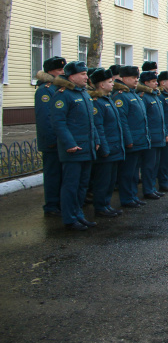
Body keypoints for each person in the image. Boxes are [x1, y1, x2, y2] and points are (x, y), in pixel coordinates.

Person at [50, 61, 100, 230]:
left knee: (82, 185)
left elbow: (90, 122)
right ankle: (70, 218)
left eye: (86, 74)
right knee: (71, 185)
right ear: (71, 76)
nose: (87, 77)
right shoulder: (63, 95)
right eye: (82, 74)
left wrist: (96, 141)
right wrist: (69, 143)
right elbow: (58, 122)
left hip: (87, 147)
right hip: (74, 149)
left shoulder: (84, 94)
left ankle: (79, 214)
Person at [89, 68, 124, 217]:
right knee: (103, 180)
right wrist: (104, 148)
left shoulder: (108, 100)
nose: (113, 84)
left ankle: (106, 204)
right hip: (107, 147)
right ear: (101, 85)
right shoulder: (97, 102)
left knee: (110, 180)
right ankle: (100, 206)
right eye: (110, 82)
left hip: (115, 146)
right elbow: (99, 127)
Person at [114, 65, 151, 208]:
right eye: (133, 78)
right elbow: (122, 121)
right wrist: (128, 140)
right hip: (132, 141)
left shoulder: (133, 93)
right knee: (127, 172)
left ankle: (132, 195)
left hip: (139, 139)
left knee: (134, 172)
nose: (136, 80)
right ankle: (126, 197)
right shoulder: (121, 96)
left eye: (137, 78)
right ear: (124, 78)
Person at [35, 55, 67, 217]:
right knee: (53, 174)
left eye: (63, 69)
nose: (62, 72)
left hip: (61, 140)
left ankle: (61, 201)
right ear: (49, 71)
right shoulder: (45, 90)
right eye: (59, 69)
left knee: (62, 173)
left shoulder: (58, 87)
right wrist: (52, 140)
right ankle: (52, 204)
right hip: (52, 141)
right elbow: (45, 119)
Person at [138, 71, 166, 200]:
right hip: (151, 136)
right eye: (153, 81)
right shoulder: (144, 96)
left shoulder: (155, 95)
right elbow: (144, 119)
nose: (156, 83)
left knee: (155, 164)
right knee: (148, 166)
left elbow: (160, 118)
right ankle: (148, 189)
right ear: (146, 83)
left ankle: (152, 188)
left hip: (158, 135)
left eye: (156, 81)